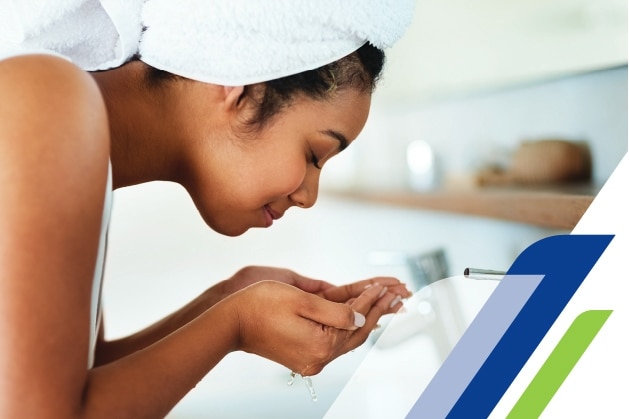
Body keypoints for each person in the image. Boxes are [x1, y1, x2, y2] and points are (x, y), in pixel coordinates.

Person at [0, 0, 415, 417]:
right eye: (314, 154)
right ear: (242, 86)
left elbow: (77, 383)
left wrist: (228, 299)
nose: (309, 196)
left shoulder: (79, 142)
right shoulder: (47, 99)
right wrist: (236, 323)